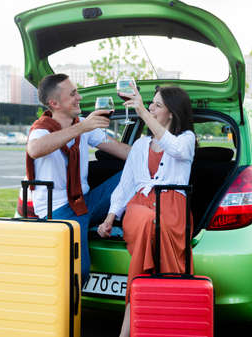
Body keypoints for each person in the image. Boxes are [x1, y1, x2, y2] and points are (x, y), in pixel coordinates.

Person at [97, 85, 196, 337]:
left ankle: (127, 327)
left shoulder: (186, 140)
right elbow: (126, 184)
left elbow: (175, 149)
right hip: (140, 206)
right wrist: (110, 218)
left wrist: (141, 111)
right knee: (147, 221)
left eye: (157, 105)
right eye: (150, 104)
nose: (151, 107)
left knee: (153, 224)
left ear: (171, 113)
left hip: (173, 209)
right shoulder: (141, 145)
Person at [26, 73, 130, 285]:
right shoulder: (41, 130)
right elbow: (35, 149)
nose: (79, 98)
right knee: (78, 273)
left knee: (131, 175)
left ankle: (117, 223)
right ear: (54, 103)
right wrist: (82, 128)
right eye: (73, 94)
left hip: (85, 202)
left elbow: (122, 150)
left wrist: (160, 152)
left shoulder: (82, 124)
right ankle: (66, 314)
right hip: (59, 211)